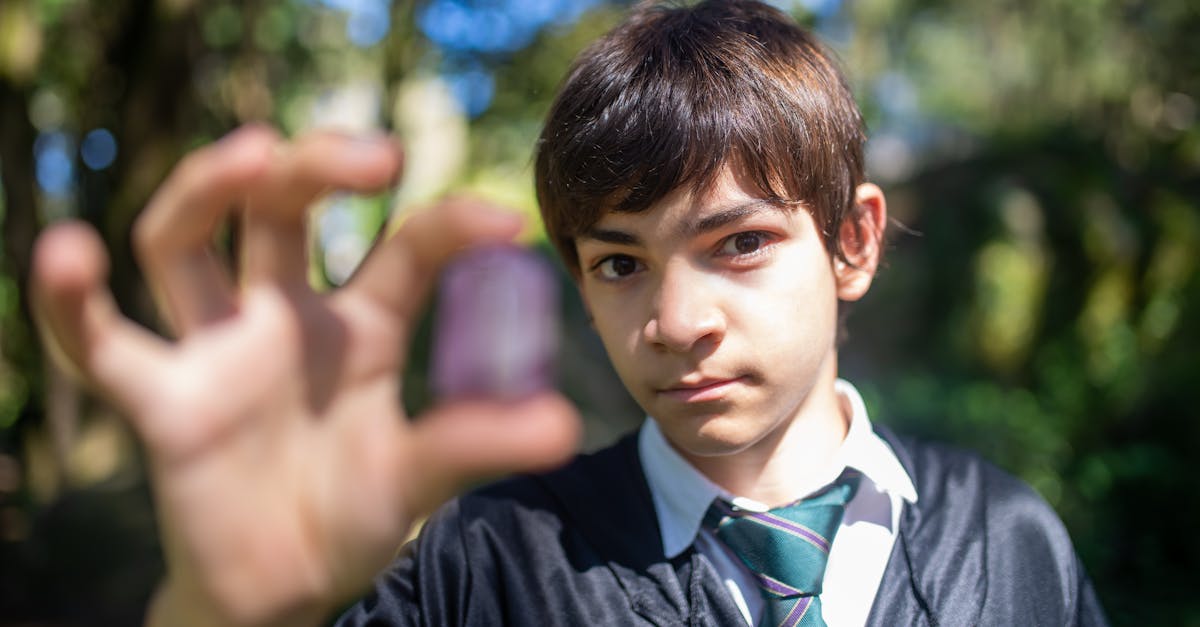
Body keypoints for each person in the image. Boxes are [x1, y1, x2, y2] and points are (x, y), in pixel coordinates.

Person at [31, 1, 1107, 625]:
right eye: (620, 263)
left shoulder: (1011, 542)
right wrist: (224, 614)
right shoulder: (484, 559)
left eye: (740, 242)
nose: (679, 318)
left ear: (853, 242)